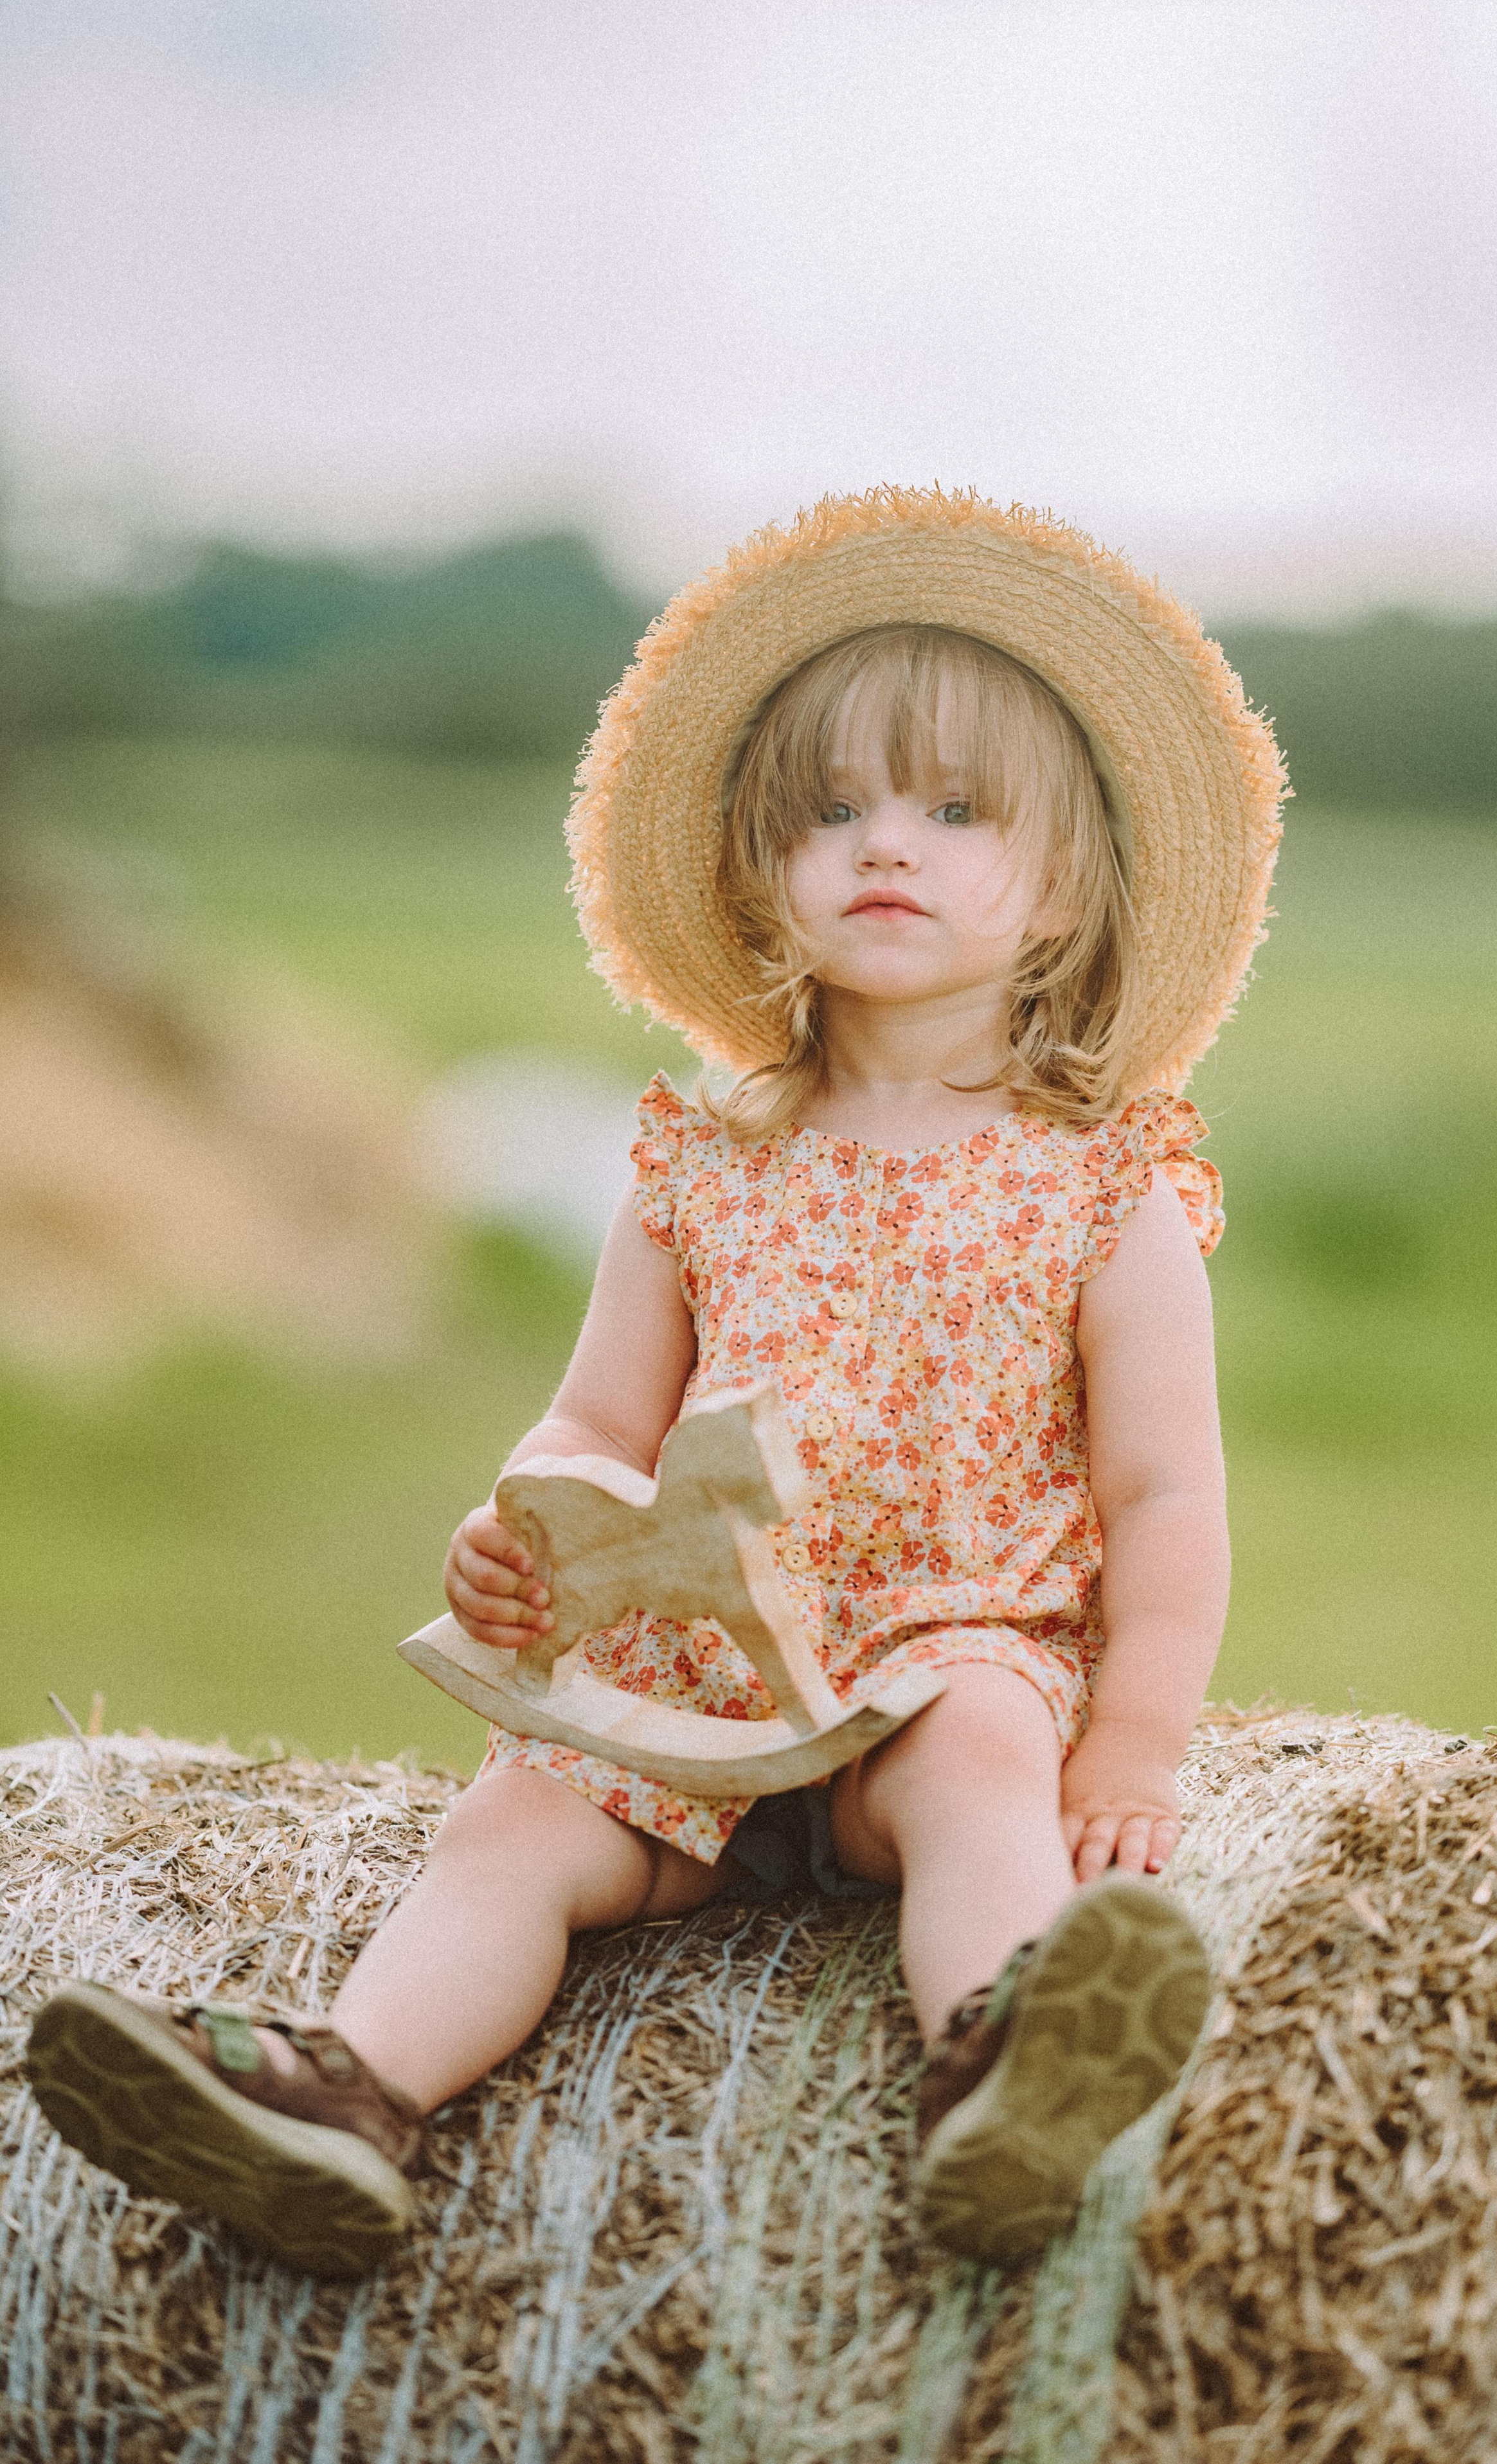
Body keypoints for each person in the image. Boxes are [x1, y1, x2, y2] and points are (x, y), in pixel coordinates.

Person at [28, 488, 1286, 2280]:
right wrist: (526, 1529)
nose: (885, 843)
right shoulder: (706, 1162)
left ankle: (1000, 2069)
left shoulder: (1105, 1182)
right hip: (698, 1682)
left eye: (952, 810)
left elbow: (1165, 1489)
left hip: (944, 1649)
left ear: (1066, 886)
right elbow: (596, 1425)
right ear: (763, 867)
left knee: (985, 1756)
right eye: (831, 811)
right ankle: (344, 2103)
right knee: (515, 1816)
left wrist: (1138, 1738)